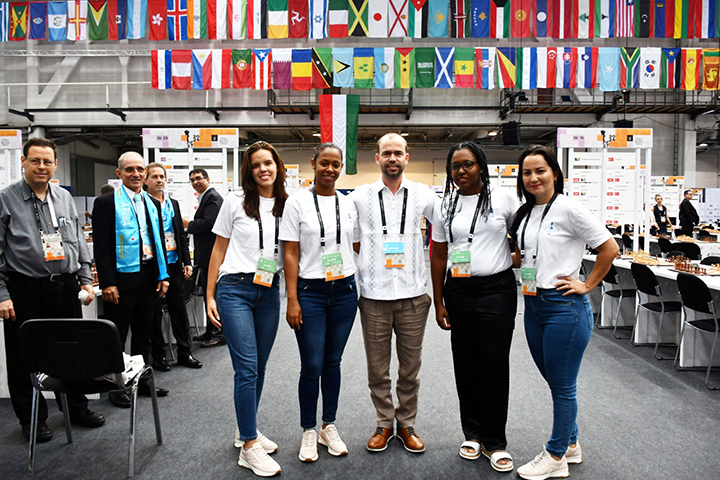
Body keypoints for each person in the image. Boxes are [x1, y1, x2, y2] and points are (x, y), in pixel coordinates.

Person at [509, 146, 618, 480]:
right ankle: (571, 443)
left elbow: (609, 247)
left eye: (540, 171)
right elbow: (525, 257)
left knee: (563, 385)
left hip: (564, 308)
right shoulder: (525, 213)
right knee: (554, 380)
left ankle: (556, 454)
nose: (533, 178)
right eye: (527, 172)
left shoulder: (569, 208)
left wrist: (587, 284)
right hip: (533, 305)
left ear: (554, 173)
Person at [0, 138, 105, 443]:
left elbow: (77, 242)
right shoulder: (6, 199)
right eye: (35, 161)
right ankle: (31, 418)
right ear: (23, 162)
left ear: (55, 164)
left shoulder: (63, 197)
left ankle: (75, 408)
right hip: (25, 288)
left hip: (65, 286)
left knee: (71, 350)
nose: (41, 167)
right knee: (24, 357)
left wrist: (86, 279)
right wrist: (3, 295)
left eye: (47, 161)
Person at [430, 142, 518, 472]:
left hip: (496, 290)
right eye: (455, 166)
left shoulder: (505, 198)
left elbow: (523, 231)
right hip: (459, 290)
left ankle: (495, 441)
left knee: (494, 362)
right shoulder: (445, 205)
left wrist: (518, 255)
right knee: (465, 362)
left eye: (467, 164)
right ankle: (473, 433)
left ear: (480, 165)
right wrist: (438, 301)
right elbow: (439, 255)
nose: (461, 172)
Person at [349, 133, 436, 453]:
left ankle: (407, 423)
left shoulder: (424, 194)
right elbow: (352, 239)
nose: (393, 159)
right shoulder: (360, 196)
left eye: (398, 153)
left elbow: (441, 235)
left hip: (414, 295)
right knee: (377, 368)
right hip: (374, 295)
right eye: (387, 153)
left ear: (407, 157)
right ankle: (384, 423)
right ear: (377, 158)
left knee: (410, 368)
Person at [206, 142, 287, 477]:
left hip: (269, 291)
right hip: (235, 289)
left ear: (277, 166)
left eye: (268, 163)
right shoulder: (235, 202)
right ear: (249, 171)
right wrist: (209, 295)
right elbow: (218, 248)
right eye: (256, 165)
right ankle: (249, 447)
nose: (263, 169)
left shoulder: (288, 203)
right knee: (247, 369)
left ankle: (245, 430)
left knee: (261, 366)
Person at [279, 143, 358, 463]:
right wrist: (292, 299)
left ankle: (329, 425)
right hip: (310, 293)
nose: (330, 169)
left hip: (344, 292)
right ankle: (308, 430)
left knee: (333, 363)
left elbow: (355, 244)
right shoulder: (297, 202)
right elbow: (291, 252)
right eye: (324, 163)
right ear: (314, 164)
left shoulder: (348, 203)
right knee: (311, 364)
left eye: (335, 164)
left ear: (341, 168)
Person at [92, 152, 170, 408]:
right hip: (121, 277)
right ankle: (116, 385)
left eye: (139, 169)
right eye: (129, 170)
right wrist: (107, 282)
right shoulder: (106, 203)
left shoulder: (152, 203)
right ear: (119, 174)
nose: (135, 174)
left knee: (145, 332)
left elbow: (157, 241)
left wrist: (163, 274)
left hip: (148, 275)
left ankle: (142, 379)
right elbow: (101, 247)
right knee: (118, 332)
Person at [144, 163, 203, 371]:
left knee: (179, 310)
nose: (159, 180)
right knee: (155, 313)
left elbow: (181, 235)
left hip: (174, 264)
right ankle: (158, 356)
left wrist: (187, 261)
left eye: (162, 176)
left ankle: (185, 352)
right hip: (153, 267)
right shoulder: (143, 204)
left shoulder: (173, 203)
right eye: (154, 177)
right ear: (146, 180)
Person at [184, 168, 225, 348]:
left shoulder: (213, 198)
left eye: (198, 179)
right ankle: (210, 331)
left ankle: (218, 333)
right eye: (192, 180)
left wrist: (188, 224)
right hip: (205, 254)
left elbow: (209, 224)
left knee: (213, 294)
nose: (195, 182)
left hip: (211, 255)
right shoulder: (206, 198)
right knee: (208, 295)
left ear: (208, 179)